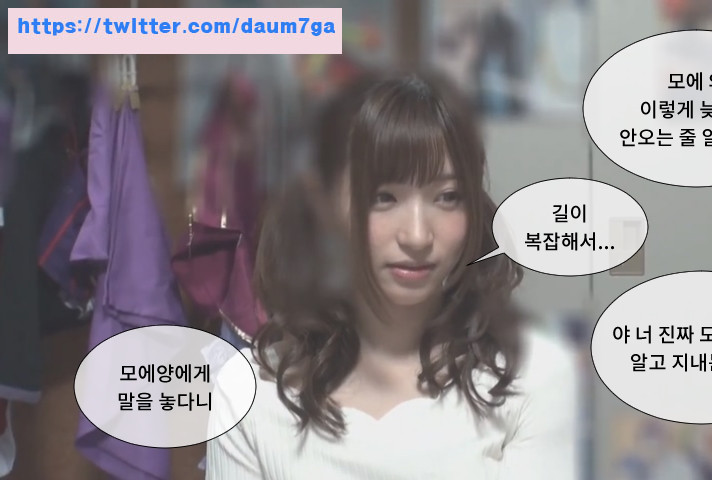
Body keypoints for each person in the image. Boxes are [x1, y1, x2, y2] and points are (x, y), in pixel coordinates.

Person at [205, 72, 579, 479]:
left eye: (447, 197)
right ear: (322, 202)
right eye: (383, 198)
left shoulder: (534, 378)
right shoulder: (248, 394)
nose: (417, 236)